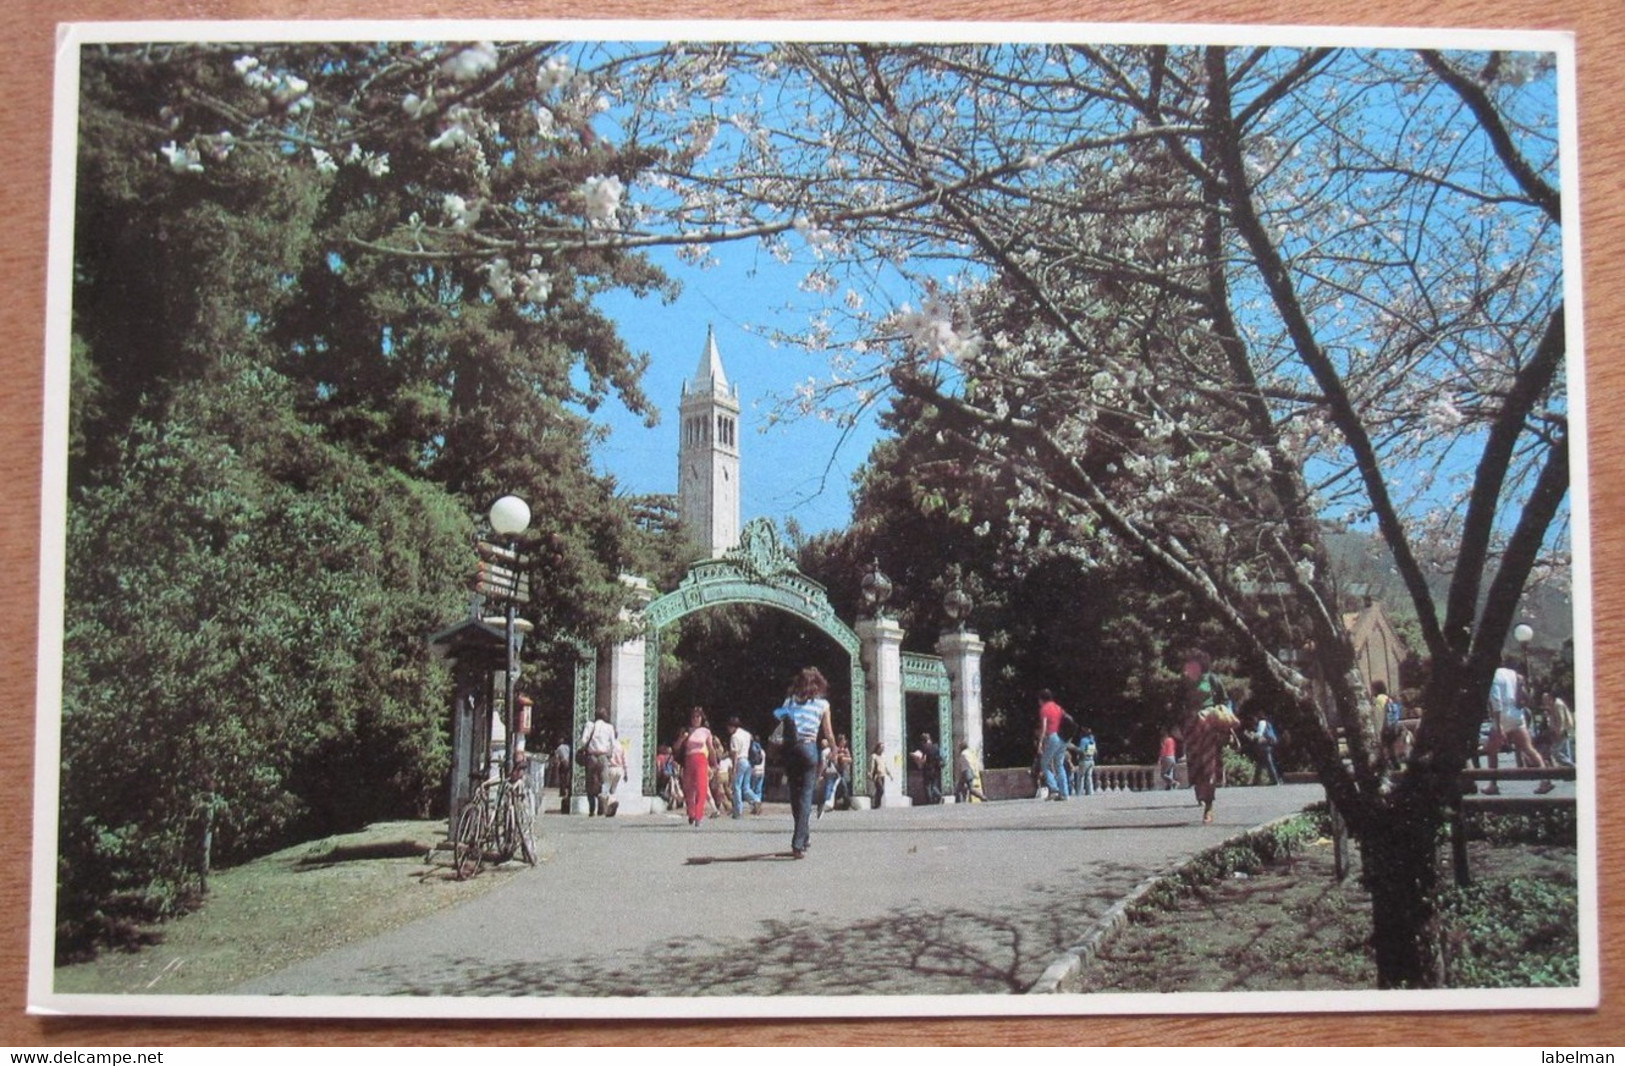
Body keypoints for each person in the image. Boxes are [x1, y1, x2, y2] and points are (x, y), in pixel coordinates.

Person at [773, 667, 837, 858]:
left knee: (795, 794)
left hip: (791, 749)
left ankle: (804, 836)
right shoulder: (823, 705)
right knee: (806, 796)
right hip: (809, 749)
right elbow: (828, 732)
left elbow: (779, 721)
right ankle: (798, 843)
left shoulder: (789, 702)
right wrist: (833, 750)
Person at [1181, 649, 1239, 824]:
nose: (1189, 667)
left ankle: (1209, 807)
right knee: (1195, 765)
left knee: (1209, 766)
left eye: (1192, 664)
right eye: (1187, 664)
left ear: (1200, 665)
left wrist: (1222, 716)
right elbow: (1177, 705)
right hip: (1191, 728)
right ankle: (1200, 793)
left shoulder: (1212, 680)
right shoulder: (1184, 684)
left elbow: (1225, 700)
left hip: (1209, 727)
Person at [1484, 657, 1555, 795]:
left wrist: (1498, 725)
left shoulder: (1493, 676)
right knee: (1529, 749)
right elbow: (1524, 695)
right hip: (1516, 713)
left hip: (1502, 715)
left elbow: (1496, 700)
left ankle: (1493, 784)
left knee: (1492, 751)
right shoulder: (1513, 675)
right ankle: (1546, 779)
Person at [673, 706, 716, 826]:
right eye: (693, 717)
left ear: (702, 718)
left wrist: (714, 763)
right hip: (688, 759)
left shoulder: (706, 731)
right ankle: (691, 813)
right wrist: (682, 739)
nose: (696, 719)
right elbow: (676, 748)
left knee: (702, 787)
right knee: (689, 789)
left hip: (701, 759)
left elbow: (711, 748)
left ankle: (698, 815)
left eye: (698, 717)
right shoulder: (686, 731)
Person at [1034, 689, 1072, 801]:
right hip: (1063, 738)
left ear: (1042, 699)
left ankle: (1054, 788)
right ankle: (1065, 793)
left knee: (1044, 763)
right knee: (1059, 764)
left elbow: (1044, 727)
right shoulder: (1057, 707)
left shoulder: (1044, 709)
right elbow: (1067, 720)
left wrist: (1040, 742)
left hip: (1053, 736)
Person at [579, 708, 617, 817]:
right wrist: (609, 755)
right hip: (603, 756)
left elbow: (583, 741)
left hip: (591, 757)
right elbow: (613, 744)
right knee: (604, 782)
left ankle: (592, 809)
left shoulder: (590, 725)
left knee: (590, 782)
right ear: (605, 716)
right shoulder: (609, 727)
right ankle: (602, 808)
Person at [728, 717, 759, 819]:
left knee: (736, 786)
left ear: (733, 727)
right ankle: (756, 799)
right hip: (748, 761)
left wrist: (734, 767)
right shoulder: (746, 734)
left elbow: (735, 753)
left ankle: (738, 810)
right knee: (746, 786)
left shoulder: (734, 737)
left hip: (740, 761)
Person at [1544, 692, 1575, 768]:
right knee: (1564, 750)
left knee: (1556, 751)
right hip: (1560, 730)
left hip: (1563, 730)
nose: (1544, 701)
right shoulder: (1553, 705)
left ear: (1551, 697)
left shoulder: (1558, 705)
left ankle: (1571, 766)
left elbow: (1561, 719)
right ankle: (1568, 767)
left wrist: (1559, 732)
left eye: (1546, 699)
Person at [1248, 715, 1281, 785]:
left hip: (1265, 745)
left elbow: (1259, 734)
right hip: (1265, 745)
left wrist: (1252, 735)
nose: (1254, 720)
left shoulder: (1262, 722)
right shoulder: (1266, 723)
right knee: (1260, 764)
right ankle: (1256, 781)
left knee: (1269, 763)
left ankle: (1275, 781)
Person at [915, 732, 944, 805]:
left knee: (927, 785)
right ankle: (939, 795)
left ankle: (931, 800)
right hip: (935, 769)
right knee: (934, 785)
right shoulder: (936, 747)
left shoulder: (924, 748)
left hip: (927, 769)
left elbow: (923, 759)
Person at [1069, 728, 1097, 796]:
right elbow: (1095, 751)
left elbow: (1081, 751)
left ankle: (1079, 792)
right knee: (1089, 777)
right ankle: (1090, 792)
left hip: (1084, 760)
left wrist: (1074, 748)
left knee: (1081, 777)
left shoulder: (1083, 740)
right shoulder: (1092, 740)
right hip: (1091, 760)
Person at [603, 738, 626, 817]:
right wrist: (626, 773)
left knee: (605, 789)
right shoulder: (620, 746)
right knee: (613, 789)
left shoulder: (608, 745)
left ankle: (612, 802)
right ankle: (609, 809)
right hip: (619, 769)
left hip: (611, 768)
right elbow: (624, 759)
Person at [869, 741, 892, 808]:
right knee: (880, 789)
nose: (882, 749)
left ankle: (877, 804)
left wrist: (889, 774)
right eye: (881, 747)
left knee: (879, 790)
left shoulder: (883, 756)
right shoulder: (874, 756)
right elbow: (872, 766)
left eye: (883, 748)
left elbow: (885, 766)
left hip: (883, 775)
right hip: (877, 775)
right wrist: (871, 773)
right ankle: (876, 803)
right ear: (878, 748)